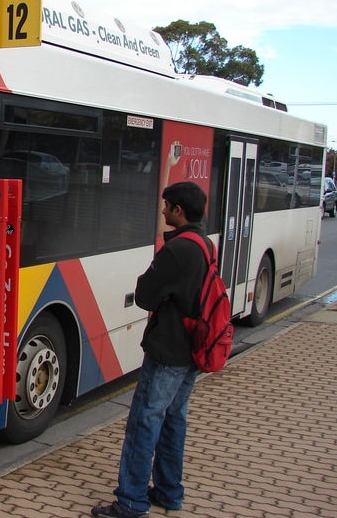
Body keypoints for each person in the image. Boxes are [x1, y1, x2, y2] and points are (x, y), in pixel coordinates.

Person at [92, 181, 209, 518]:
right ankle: (170, 491)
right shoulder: (204, 244)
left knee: (145, 421)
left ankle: (131, 501)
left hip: (168, 348)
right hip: (191, 348)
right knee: (174, 420)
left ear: (179, 211)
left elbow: (144, 294)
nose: (162, 210)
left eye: (166, 205)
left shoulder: (178, 250)